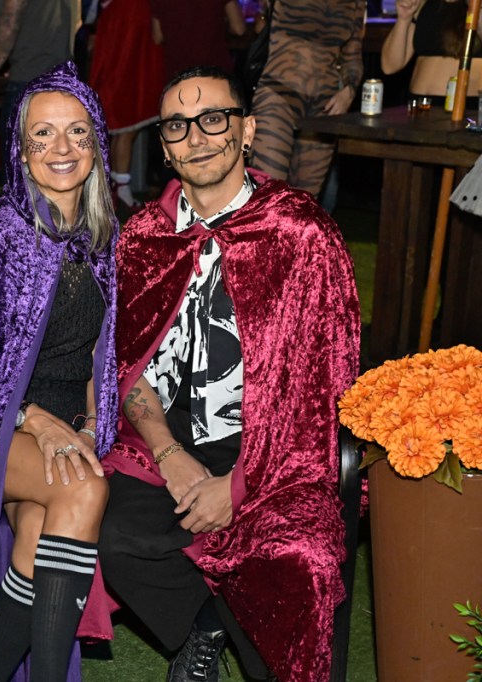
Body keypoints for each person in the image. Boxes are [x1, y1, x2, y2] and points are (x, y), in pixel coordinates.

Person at [91, 66, 360, 682]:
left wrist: (236, 488)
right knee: (106, 528)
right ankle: (203, 627)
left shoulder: (301, 234)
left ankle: (222, 624)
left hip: (274, 447)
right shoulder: (144, 236)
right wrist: (168, 453)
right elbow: (124, 366)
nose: (197, 137)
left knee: (294, 565)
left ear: (248, 130)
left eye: (214, 119)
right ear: (164, 146)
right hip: (169, 437)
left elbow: (321, 389)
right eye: (178, 126)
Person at [0, 61, 119, 682]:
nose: (61, 148)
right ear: (20, 151)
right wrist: (33, 419)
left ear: (96, 144)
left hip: (66, 428)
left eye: (76, 132)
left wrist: (91, 425)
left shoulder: (100, 240)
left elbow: (100, 354)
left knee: (39, 538)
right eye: (42, 134)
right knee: (83, 489)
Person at [248, 0, 365, 198]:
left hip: (324, 106)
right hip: (278, 95)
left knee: (305, 203)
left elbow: (352, 56)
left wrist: (349, 91)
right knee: (269, 197)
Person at [0, 0, 80, 155]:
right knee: (54, 161)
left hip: (29, 80)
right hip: (64, 78)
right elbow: (77, 21)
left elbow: (10, 19)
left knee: (21, 162)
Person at [88, 0, 163, 213]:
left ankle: (115, 187)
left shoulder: (122, 8)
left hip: (123, 68)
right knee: (125, 130)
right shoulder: (127, 8)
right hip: (125, 71)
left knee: (121, 131)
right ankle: (120, 188)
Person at [381, 0, 482, 98]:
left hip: (466, 102)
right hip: (419, 101)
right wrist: (403, 19)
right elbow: (389, 66)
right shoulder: (423, 2)